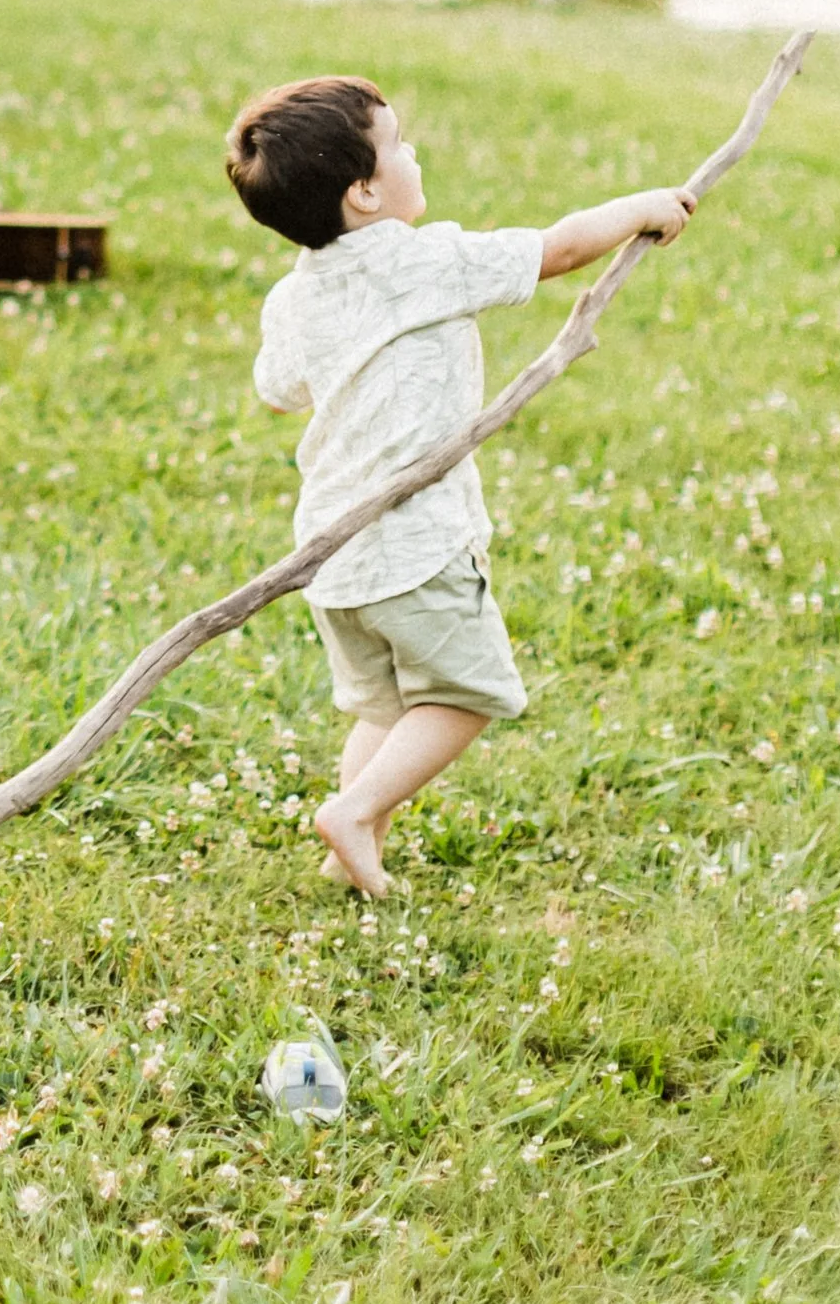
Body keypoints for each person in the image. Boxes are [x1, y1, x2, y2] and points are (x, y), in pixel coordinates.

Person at [230, 72, 691, 899]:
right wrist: (645, 207)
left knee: (384, 709)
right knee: (469, 693)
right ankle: (356, 812)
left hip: (329, 553)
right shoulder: (427, 260)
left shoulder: (293, 296)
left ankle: (349, 851)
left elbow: (276, 390)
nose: (415, 152)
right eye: (397, 144)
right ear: (365, 193)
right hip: (415, 541)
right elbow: (557, 250)